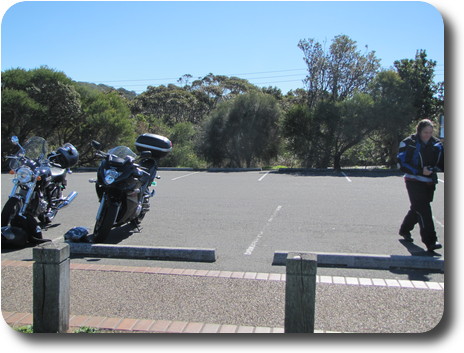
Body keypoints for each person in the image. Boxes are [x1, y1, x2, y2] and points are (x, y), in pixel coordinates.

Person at [397, 119, 444, 252]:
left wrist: (434, 169)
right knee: (424, 210)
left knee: (417, 208)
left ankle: (404, 229)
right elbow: (402, 163)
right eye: (425, 132)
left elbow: (442, 163)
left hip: (429, 182)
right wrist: (419, 170)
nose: (427, 135)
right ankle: (430, 241)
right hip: (413, 181)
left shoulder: (437, 144)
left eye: (430, 132)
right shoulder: (408, 143)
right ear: (419, 130)